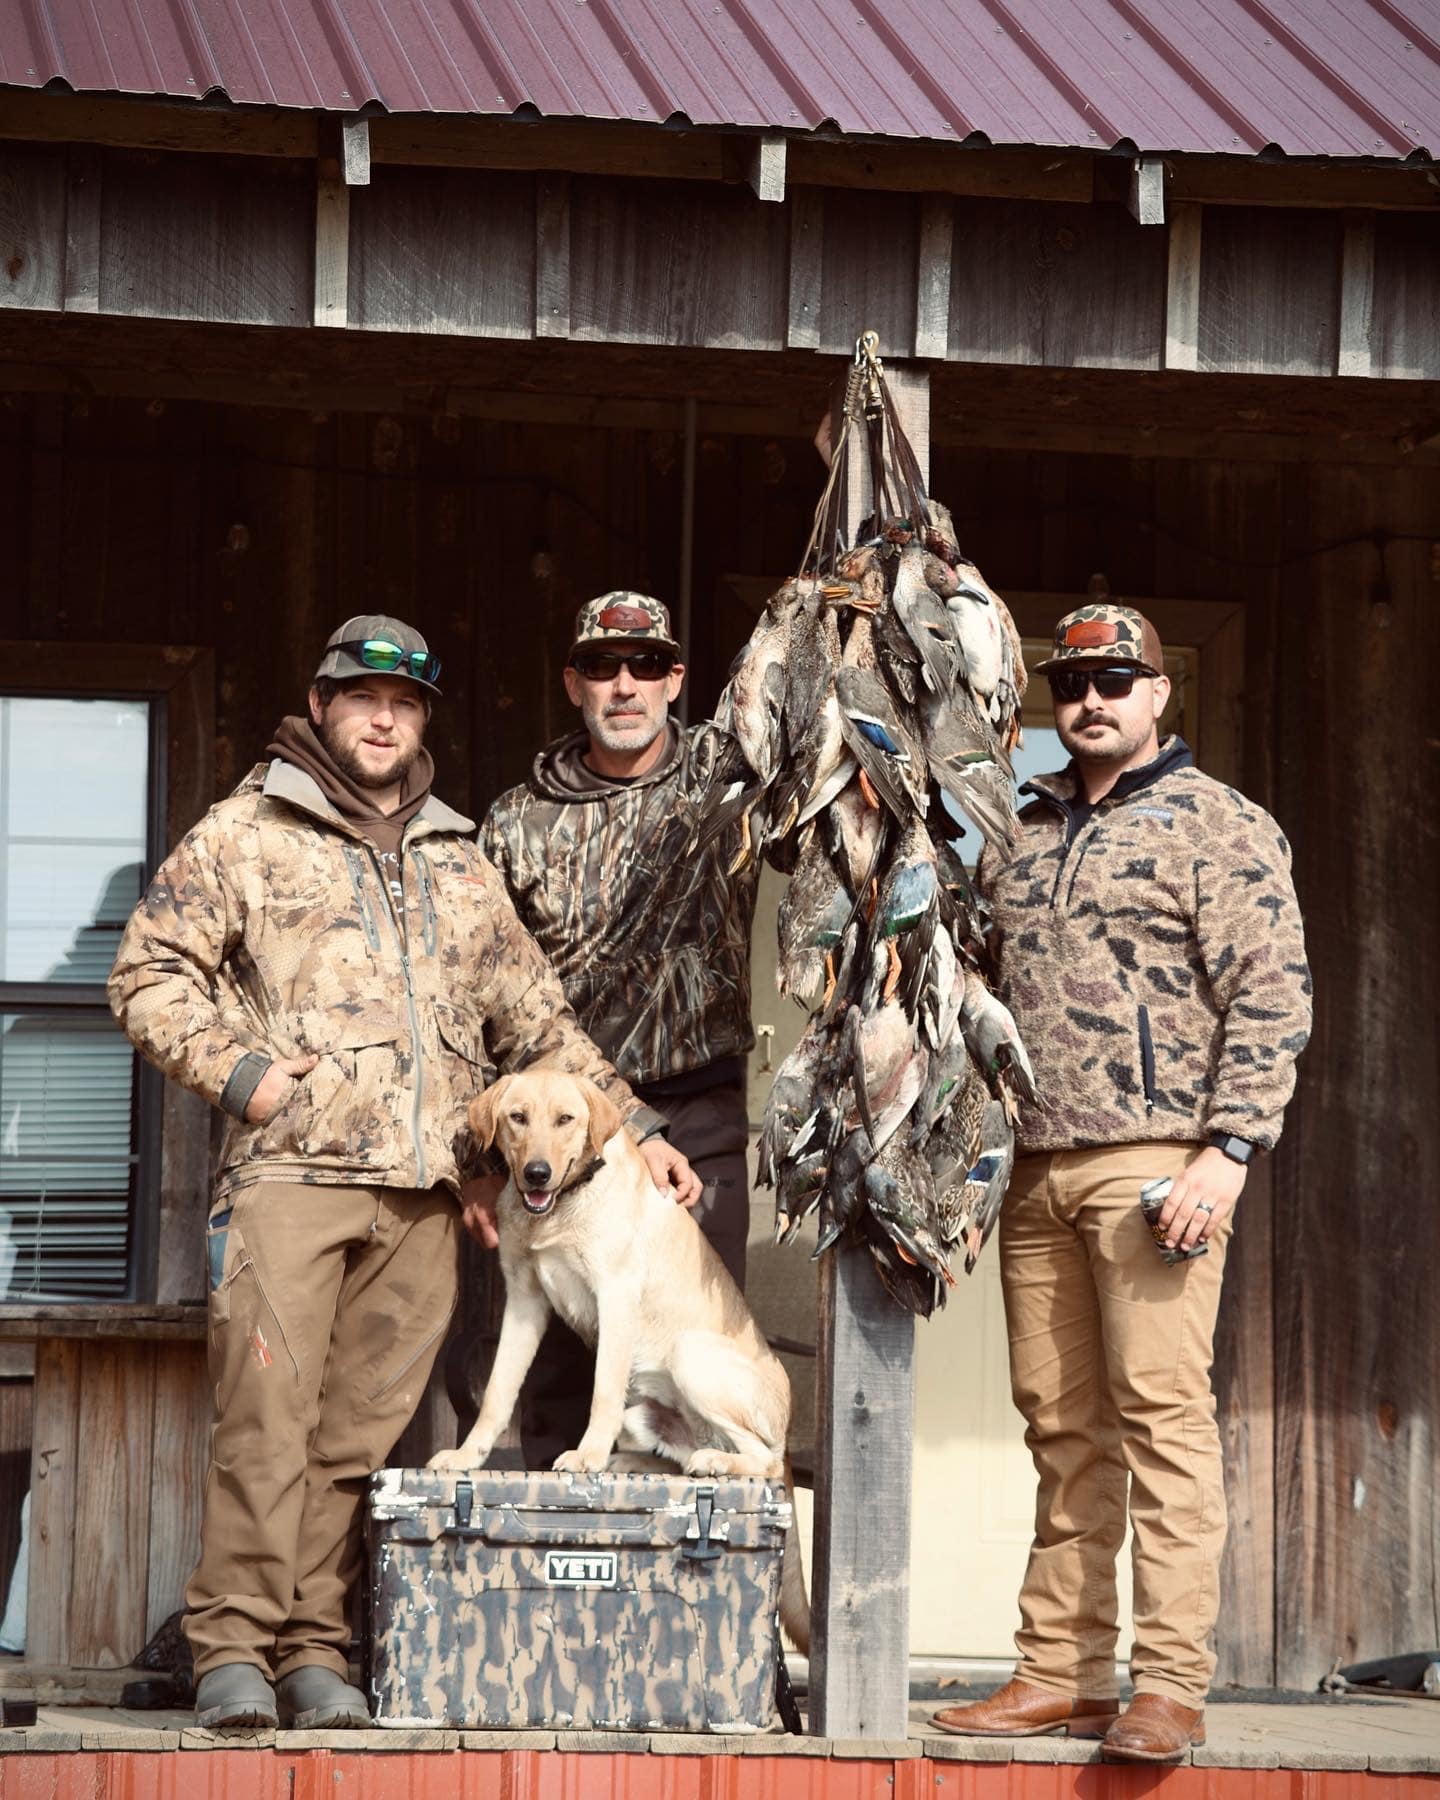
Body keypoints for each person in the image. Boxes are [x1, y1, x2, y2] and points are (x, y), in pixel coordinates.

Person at [108, 614, 697, 1732]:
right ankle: (231, 1646)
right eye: (364, 697)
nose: (385, 717)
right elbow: (148, 974)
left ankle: (315, 1650)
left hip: (431, 1197)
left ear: (422, 718)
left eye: (408, 702)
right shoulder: (247, 833)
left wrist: (638, 1126)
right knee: (265, 1421)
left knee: (361, 1438)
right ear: (323, 704)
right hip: (292, 1180)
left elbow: (536, 1017)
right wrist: (250, 1080)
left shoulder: (457, 859)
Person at [931, 602, 1311, 1763]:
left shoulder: (1218, 825)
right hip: (1033, 1171)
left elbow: (1272, 993)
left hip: (1158, 1168)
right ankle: (1062, 1671)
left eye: (1115, 680)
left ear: (1159, 696)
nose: (1089, 699)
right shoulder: (1020, 830)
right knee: (1062, 1429)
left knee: (1162, 1422)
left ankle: (1169, 1685)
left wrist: (1228, 1151)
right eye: (1072, 683)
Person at [477, 592, 762, 1465]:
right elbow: (480, 987)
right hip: (554, 1116)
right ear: (574, 684)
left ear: (678, 679)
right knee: (555, 1359)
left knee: (686, 1341)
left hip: (696, 1108)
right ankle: (570, 1582)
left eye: (646, 666)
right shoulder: (515, 822)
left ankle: (692, 1581)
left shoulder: (732, 790)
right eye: (602, 667)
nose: (625, 685)